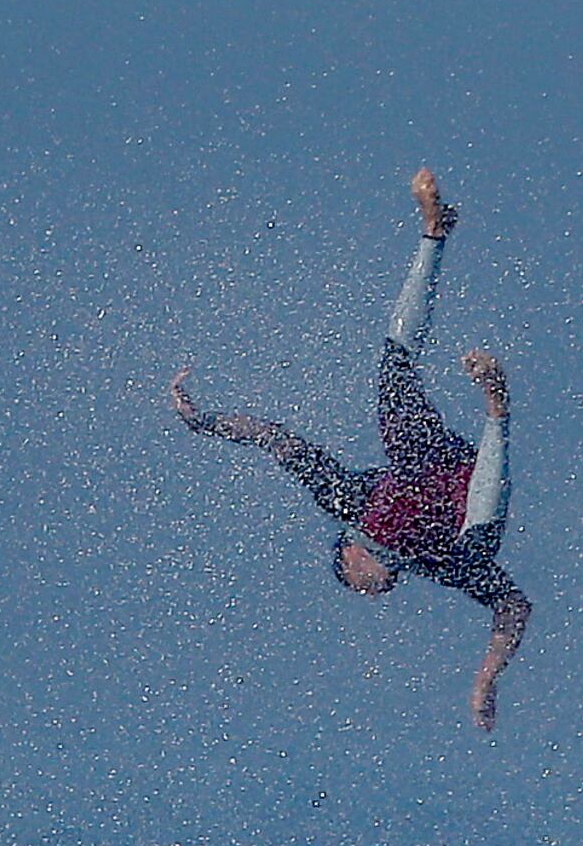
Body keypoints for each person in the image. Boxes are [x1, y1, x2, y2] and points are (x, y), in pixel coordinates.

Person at [175, 168, 531, 730]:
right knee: (476, 548)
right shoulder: (431, 563)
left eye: (360, 588)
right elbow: (514, 609)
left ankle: (433, 234)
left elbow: (277, 441)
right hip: (472, 480)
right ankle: (496, 409)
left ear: (349, 555)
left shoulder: (349, 505)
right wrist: (487, 678)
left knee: (392, 366)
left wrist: (206, 422)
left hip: (426, 458)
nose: (376, 595)